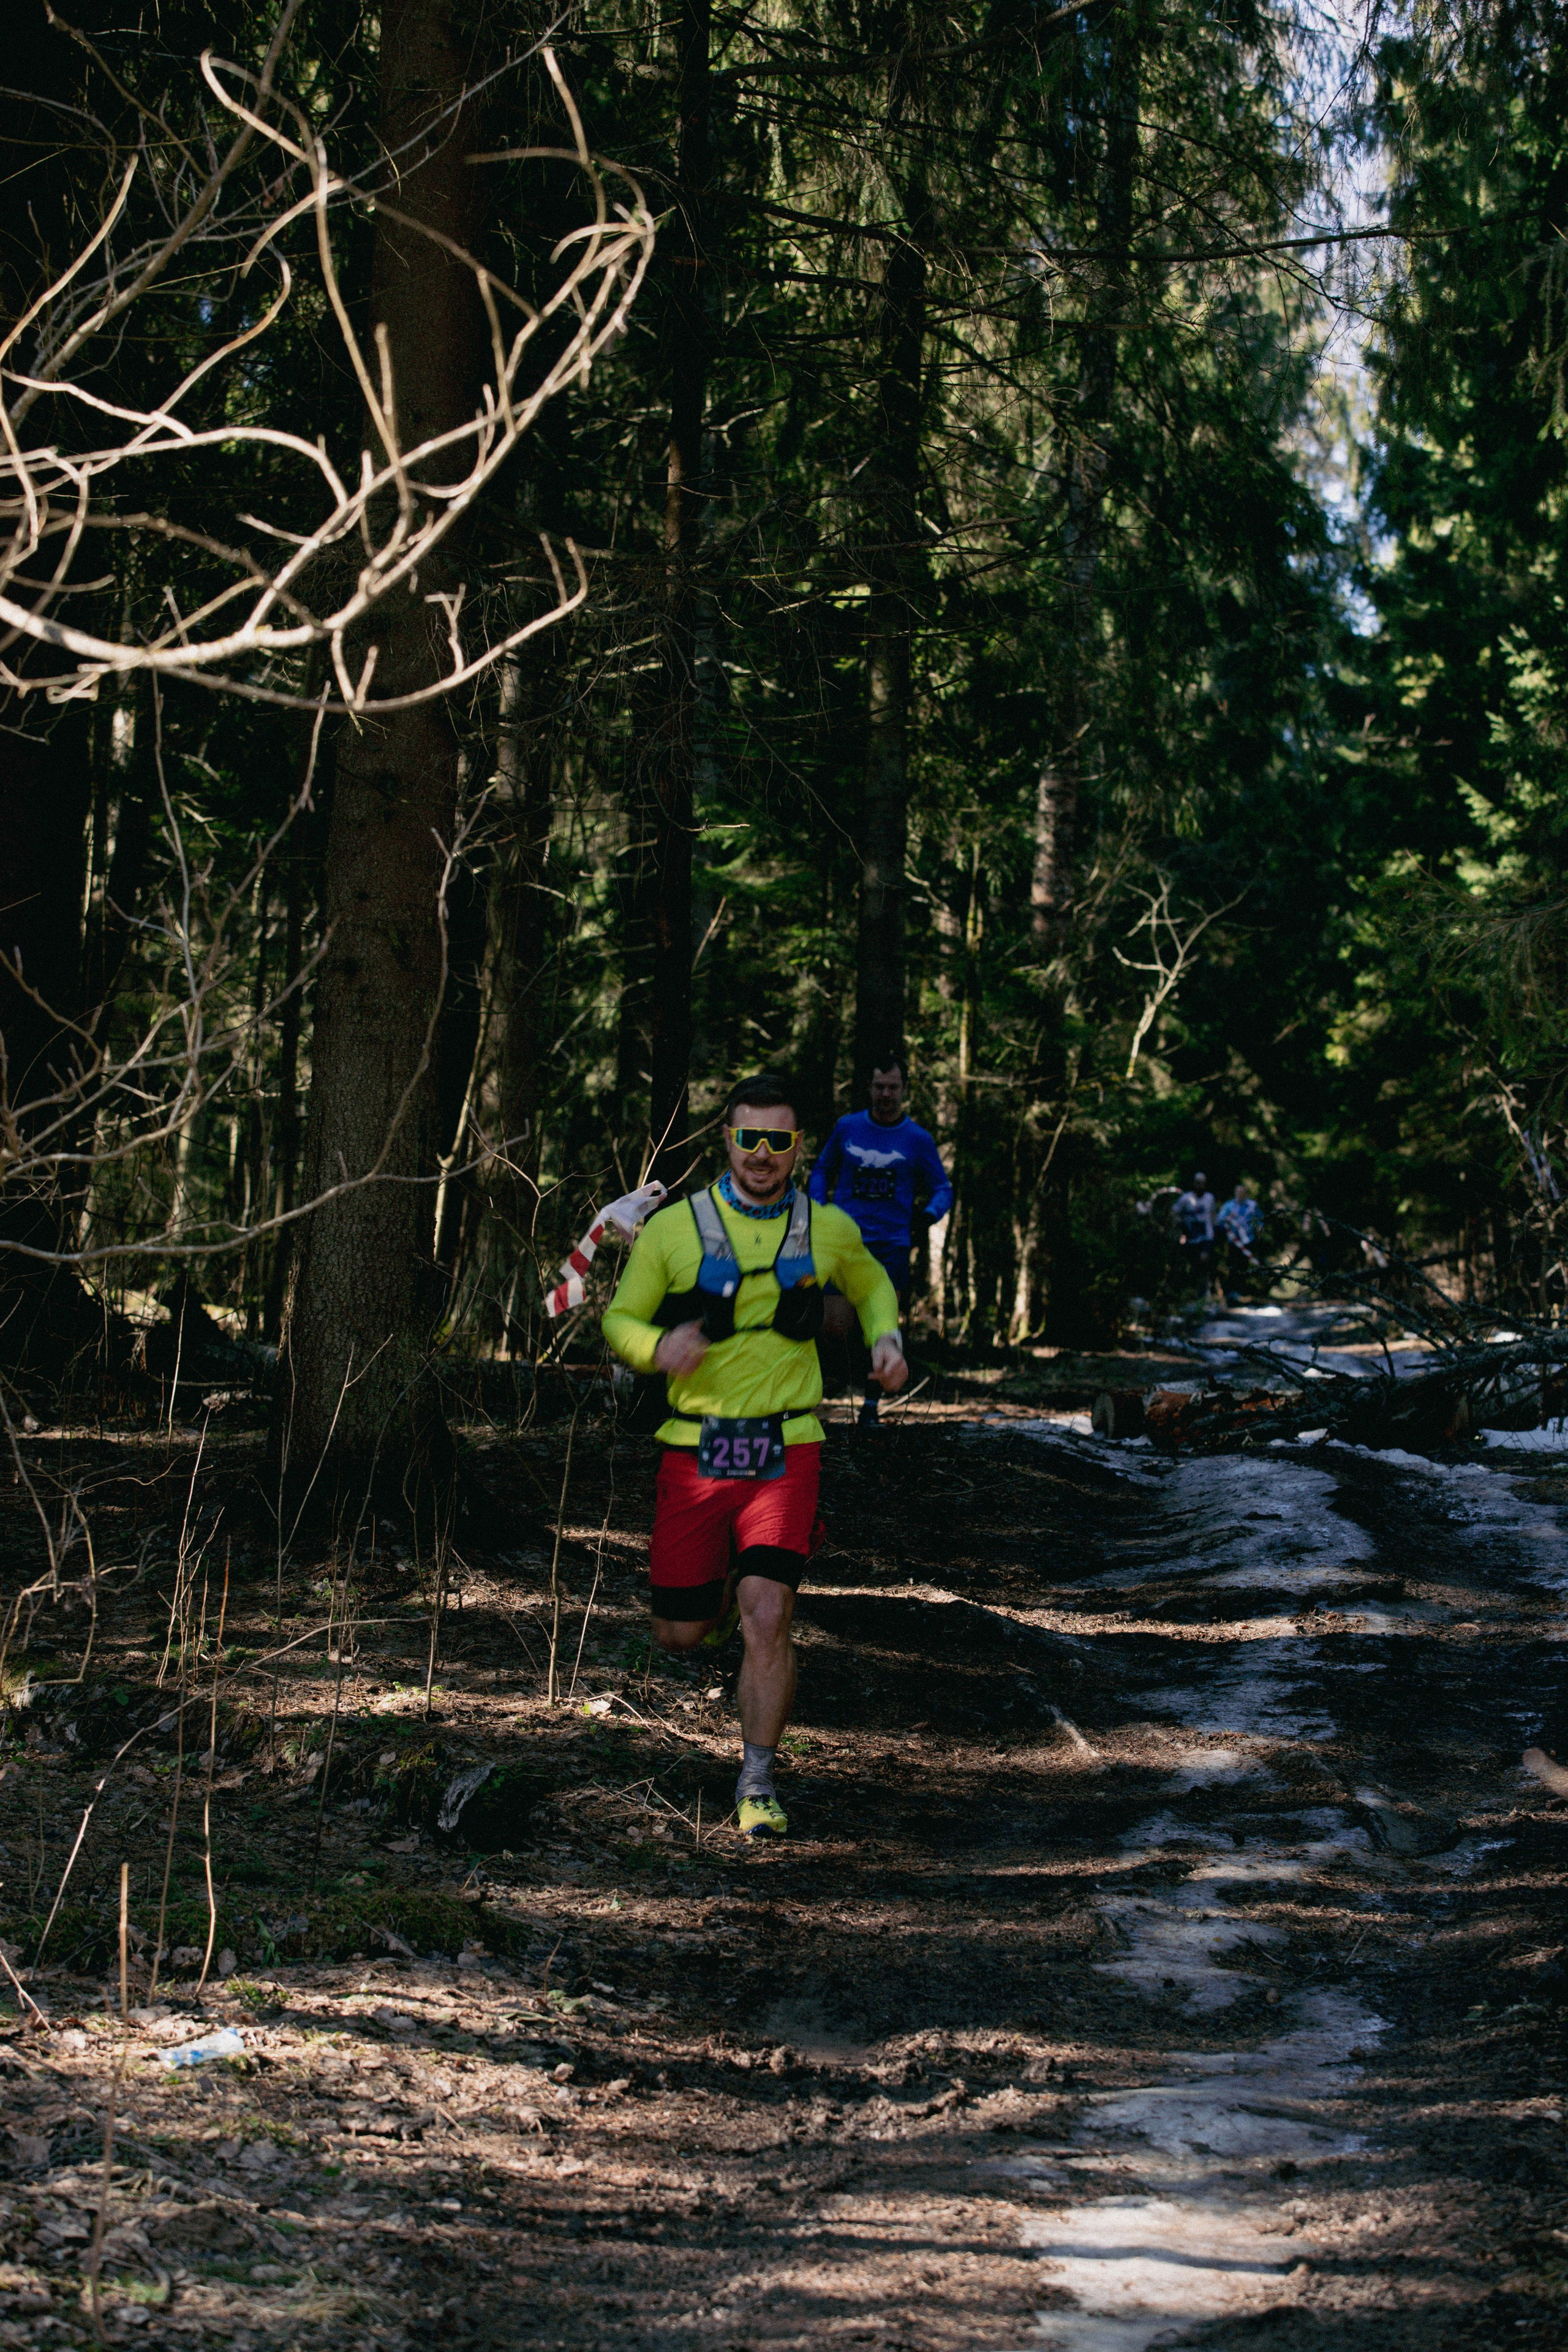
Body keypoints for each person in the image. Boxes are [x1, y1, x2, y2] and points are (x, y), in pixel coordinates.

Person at [601, 1073, 907, 1839]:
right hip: (694, 1452)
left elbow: (870, 1281)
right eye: (748, 1138)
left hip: (787, 1446)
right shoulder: (675, 1230)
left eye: (777, 1139)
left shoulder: (825, 1224)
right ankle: (734, 1568)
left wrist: (886, 1335)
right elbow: (619, 1321)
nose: (762, 1154)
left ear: (797, 1145)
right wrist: (656, 1345)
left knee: (767, 1613)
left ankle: (757, 1781)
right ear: (727, 1141)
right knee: (681, 1633)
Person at [808, 1055, 953, 1424]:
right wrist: (817, 1207)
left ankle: (871, 1407)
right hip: (844, 1241)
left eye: (893, 1087)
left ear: (904, 1089)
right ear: (869, 1088)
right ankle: (825, 1394)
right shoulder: (847, 1128)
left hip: (892, 1244)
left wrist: (927, 1216)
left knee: (883, 1327)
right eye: (879, 1087)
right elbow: (823, 1168)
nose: (885, 1094)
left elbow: (942, 1187)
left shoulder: (917, 1139)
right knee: (833, 1327)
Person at [1171, 1170, 1217, 1296]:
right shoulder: (1186, 1199)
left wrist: (1216, 1231)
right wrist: (1180, 1225)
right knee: (1191, 1265)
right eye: (1197, 1183)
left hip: (1207, 1237)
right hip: (1190, 1238)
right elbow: (1174, 1212)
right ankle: (1189, 1292)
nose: (1199, 1186)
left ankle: (1203, 1293)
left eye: (1202, 1183)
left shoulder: (1209, 1198)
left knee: (1204, 1261)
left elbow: (1214, 1217)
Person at [1216, 1182, 1264, 1298]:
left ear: (1246, 1193)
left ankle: (1241, 1292)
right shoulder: (1229, 1206)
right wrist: (1228, 1219)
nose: (1240, 1195)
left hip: (1248, 1241)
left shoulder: (1252, 1205)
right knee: (1233, 1266)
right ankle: (1232, 1293)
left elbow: (1261, 1219)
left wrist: (1259, 1229)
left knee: (1244, 1266)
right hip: (1233, 1242)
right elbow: (1219, 1221)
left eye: (1243, 1192)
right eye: (1238, 1192)